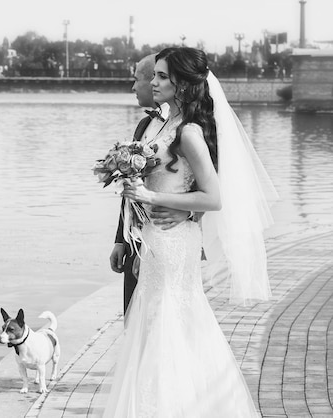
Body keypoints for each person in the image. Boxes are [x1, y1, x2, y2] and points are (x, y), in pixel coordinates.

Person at [102, 47, 277, 417]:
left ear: (181, 83)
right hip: (151, 240)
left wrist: (153, 195)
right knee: (152, 326)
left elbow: (214, 197)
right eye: (154, 75)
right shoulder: (157, 125)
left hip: (173, 243)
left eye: (161, 76)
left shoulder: (190, 132)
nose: (153, 82)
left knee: (172, 324)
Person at [109, 53, 190, 314]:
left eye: (138, 79)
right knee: (132, 320)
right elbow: (132, 188)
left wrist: (189, 213)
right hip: (135, 238)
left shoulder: (186, 130)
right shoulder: (146, 124)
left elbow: (194, 185)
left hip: (164, 235)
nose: (134, 87)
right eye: (153, 76)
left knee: (159, 319)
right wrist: (121, 239)